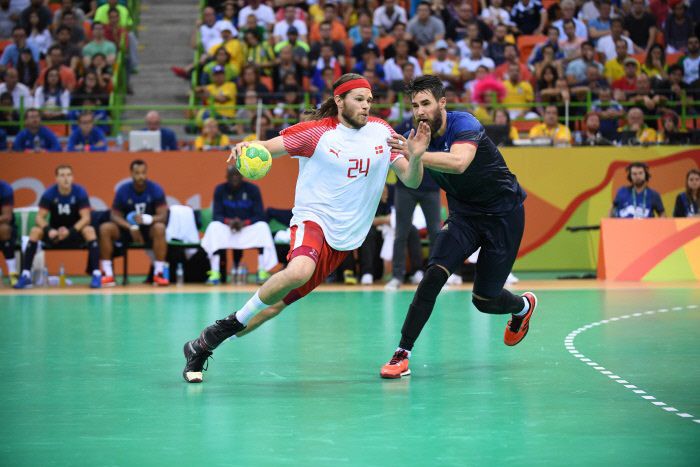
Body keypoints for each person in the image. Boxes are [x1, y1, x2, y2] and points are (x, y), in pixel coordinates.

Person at [181, 73, 430, 383]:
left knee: (269, 311)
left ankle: (201, 345)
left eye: (369, 100)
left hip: (345, 239)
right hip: (313, 220)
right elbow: (267, 147)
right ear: (340, 101)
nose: (366, 105)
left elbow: (411, 179)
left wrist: (416, 157)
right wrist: (247, 147)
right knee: (298, 271)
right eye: (359, 99)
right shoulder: (315, 134)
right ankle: (218, 330)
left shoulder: (382, 132)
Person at [379, 75, 537, 379]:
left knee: (485, 299)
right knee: (432, 276)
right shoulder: (414, 137)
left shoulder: (464, 124)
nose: (420, 111)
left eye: (426, 103)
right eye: (415, 105)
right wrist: (413, 156)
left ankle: (522, 306)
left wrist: (417, 152)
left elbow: (460, 162)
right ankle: (402, 353)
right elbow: (412, 180)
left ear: (442, 103)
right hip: (464, 216)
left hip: (504, 215)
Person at [13, 165, 102, 289]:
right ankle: (26, 274)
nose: (66, 179)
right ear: (56, 178)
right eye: (62, 175)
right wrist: (49, 230)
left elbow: (86, 218)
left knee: (90, 230)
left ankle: (96, 274)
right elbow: (39, 217)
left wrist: (70, 231)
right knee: (35, 231)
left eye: (69, 175)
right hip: (54, 234)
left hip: (74, 233)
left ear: (73, 177)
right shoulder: (49, 193)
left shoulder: (80, 192)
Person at [200, 166, 279, 285]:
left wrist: (244, 223)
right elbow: (216, 215)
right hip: (228, 227)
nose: (234, 178)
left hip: (247, 227)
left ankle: (261, 271)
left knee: (263, 227)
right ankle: (215, 273)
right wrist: (229, 222)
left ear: (242, 176)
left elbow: (259, 215)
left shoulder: (253, 189)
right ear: (226, 177)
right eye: (231, 175)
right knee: (214, 226)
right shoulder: (220, 189)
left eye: (237, 175)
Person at [98, 160, 170, 287]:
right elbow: (114, 215)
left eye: (143, 173)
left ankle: (159, 273)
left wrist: (149, 219)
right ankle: (108, 274)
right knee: (105, 228)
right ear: (131, 173)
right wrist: (131, 226)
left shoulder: (155, 189)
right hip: (127, 230)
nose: (141, 176)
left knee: (160, 227)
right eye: (137, 173)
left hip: (149, 230)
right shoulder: (123, 190)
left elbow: (163, 216)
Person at [0, 179, 18, 286]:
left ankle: (12, 272)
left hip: (5, 227)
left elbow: (7, 217)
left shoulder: (5, 189)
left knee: (3, 229)